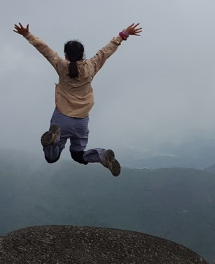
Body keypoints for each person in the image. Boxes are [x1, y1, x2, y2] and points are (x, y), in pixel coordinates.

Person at [13, 22, 142, 175]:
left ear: (66, 55)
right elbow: (107, 51)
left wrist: (27, 35)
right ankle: (102, 155)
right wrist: (124, 34)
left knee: (52, 158)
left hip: (62, 118)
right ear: (82, 54)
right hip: (81, 121)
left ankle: (54, 141)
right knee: (78, 154)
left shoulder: (61, 65)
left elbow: (45, 50)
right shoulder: (91, 66)